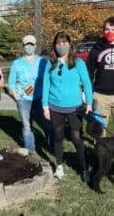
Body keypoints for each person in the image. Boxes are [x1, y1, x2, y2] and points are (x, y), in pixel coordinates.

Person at [42, 31, 93, 182]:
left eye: (64, 43)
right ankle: (59, 166)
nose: (62, 46)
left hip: (74, 108)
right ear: (54, 45)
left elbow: (87, 84)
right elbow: (45, 85)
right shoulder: (49, 63)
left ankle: (84, 168)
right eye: (59, 43)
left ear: (70, 44)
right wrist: (45, 106)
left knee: (76, 138)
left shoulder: (78, 63)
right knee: (58, 137)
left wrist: (89, 102)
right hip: (54, 106)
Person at [8, 35, 52, 155]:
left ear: (35, 46)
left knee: (47, 123)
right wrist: (17, 97)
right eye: (27, 44)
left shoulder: (43, 62)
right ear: (23, 46)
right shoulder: (17, 63)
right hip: (24, 100)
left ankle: (51, 145)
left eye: (31, 44)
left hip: (40, 99)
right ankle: (30, 149)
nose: (29, 47)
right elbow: (11, 83)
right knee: (27, 126)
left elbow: (49, 79)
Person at [86, 16, 114, 137]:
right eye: (107, 29)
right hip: (101, 96)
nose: (110, 32)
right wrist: (88, 92)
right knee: (99, 132)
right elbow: (89, 71)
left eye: (113, 29)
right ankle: (99, 155)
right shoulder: (97, 47)